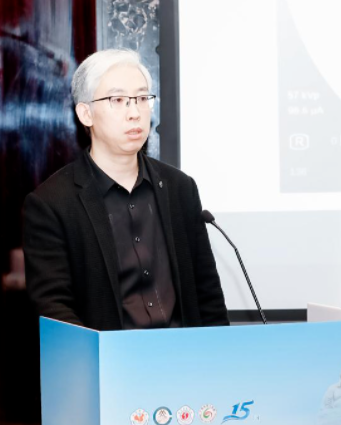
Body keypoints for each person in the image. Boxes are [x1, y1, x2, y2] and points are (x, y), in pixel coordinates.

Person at [22, 49, 228, 330]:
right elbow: (54, 309)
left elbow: (208, 296)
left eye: (142, 99)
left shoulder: (180, 189)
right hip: (105, 355)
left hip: (184, 353)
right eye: (118, 100)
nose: (135, 113)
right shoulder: (52, 204)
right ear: (85, 114)